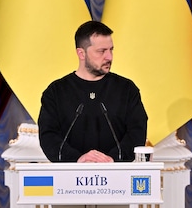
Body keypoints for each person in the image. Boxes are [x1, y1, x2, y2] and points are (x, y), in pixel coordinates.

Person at [38, 20, 148, 162]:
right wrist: (77, 159)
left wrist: (112, 159)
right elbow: (48, 136)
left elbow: (136, 132)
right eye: (102, 51)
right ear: (81, 53)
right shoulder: (56, 92)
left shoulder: (127, 89)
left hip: (118, 175)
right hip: (69, 177)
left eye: (111, 50)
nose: (109, 57)